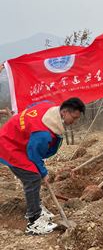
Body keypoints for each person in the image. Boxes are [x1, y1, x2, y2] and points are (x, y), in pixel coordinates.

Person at [0, 97, 85, 235]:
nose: (74, 122)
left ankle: (36, 206)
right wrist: (43, 173)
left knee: (35, 174)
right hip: (9, 145)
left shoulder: (49, 106)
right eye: (73, 118)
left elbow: (32, 106)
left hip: (19, 141)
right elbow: (33, 155)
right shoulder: (43, 134)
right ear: (64, 112)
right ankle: (34, 220)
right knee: (32, 177)